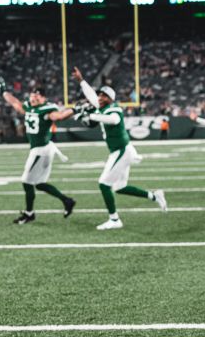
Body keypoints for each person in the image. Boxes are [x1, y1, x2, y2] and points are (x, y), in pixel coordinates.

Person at [72, 66, 168, 230]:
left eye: (104, 95)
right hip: (122, 149)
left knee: (103, 183)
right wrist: (81, 80)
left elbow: (114, 120)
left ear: (110, 98)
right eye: (100, 94)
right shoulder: (102, 106)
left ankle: (115, 219)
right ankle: (155, 196)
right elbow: (90, 95)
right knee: (120, 187)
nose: (100, 97)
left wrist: (91, 116)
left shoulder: (114, 108)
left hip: (121, 150)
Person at [1, 85, 76, 224]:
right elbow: (15, 103)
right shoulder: (29, 106)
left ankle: (29, 213)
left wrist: (75, 109)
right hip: (43, 149)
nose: (33, 99)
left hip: (41, 150)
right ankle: (67, 201)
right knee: (40, 184)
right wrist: (4, 91)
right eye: (32, 96)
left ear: (43, 98)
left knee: (26, 181)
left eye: (37, 96)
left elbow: (59, 116)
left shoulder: (47, 109)